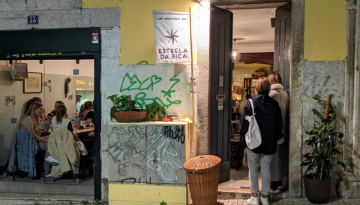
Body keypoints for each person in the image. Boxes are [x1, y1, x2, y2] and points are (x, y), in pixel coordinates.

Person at [239, 77, 283, 205]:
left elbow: (243, 125)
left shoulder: (251, 103)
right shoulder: (275, 105)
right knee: (266, 169)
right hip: (269, 142)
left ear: (257, 88)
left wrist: (244, 137)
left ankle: (254, 198)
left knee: (252, 168)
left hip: (253, 142)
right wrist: (276, 137)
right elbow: (279, 125)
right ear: (269, 88)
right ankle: (264, 197)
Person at [267, 72, 289, 193]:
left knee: (272, 156)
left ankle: (273, 182)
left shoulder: (270, 94)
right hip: (284, 129)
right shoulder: (285, 94)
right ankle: (280, 179)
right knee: (279, 155)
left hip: (272, 130)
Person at [21, 101, 52, 176]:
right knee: (50, 145)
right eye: (40, 109)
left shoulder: (38, 119)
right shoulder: (28, 120)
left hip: (38, 139)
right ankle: (46, 170)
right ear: (34, 110)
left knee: (53, 138)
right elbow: (33, 136)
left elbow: (45, 131)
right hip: (31, 142)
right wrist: (46, 141)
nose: (43, 111)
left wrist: (45, 120)